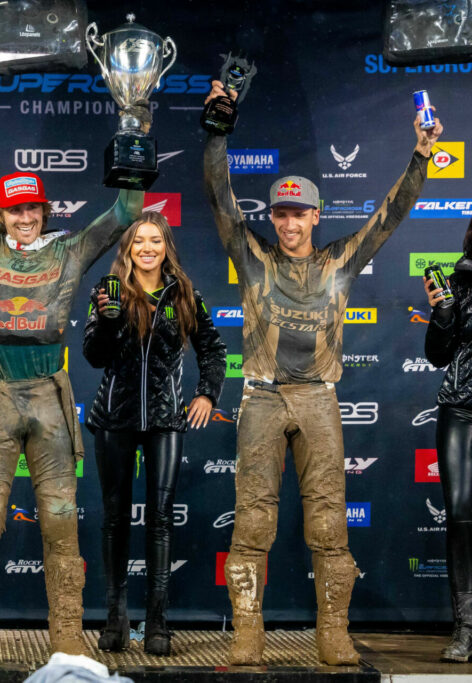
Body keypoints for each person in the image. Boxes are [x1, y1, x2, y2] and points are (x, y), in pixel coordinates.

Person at [203, 80, 441, 666]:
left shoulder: (341, 259)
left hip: (317, 399)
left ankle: (333, 633)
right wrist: (217, 133)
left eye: (298, 214)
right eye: (280, 213)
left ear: (317, 215)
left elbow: (390, 216)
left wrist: (420, 155)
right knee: (253, 519)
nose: (288, 224)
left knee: (330, 521)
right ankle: (247, 637)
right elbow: (218, 194)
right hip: (260, 397)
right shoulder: (251, 254)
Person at [0, 69, 144, 663]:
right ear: (0, 212)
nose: (24, 219)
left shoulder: (70, 250)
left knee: (61, 523)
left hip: (49, 396)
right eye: (15, 211)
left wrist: (135, 119)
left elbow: (126, 208)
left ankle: (67, 641)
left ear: (44, 211)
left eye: (32, 210)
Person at [83, 211, 226, 655]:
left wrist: (206, 394)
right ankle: (115, 618)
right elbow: (92, 355)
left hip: (165, 420)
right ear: (127, 249)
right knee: (114, 518)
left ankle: (158, 622)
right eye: (139, 241)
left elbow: (214, 349)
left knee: (161, 518)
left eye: (155, 240)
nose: (147, 248)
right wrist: (107, 321)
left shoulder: (184, 293)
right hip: (114, 419)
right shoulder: (108, 292)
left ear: (166, 247)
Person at [424, 222, 472, 662]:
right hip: (461, 408)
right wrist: (441, 317)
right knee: (459, 514)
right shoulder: (456, 283)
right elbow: (437, 355)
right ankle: (465, 630)